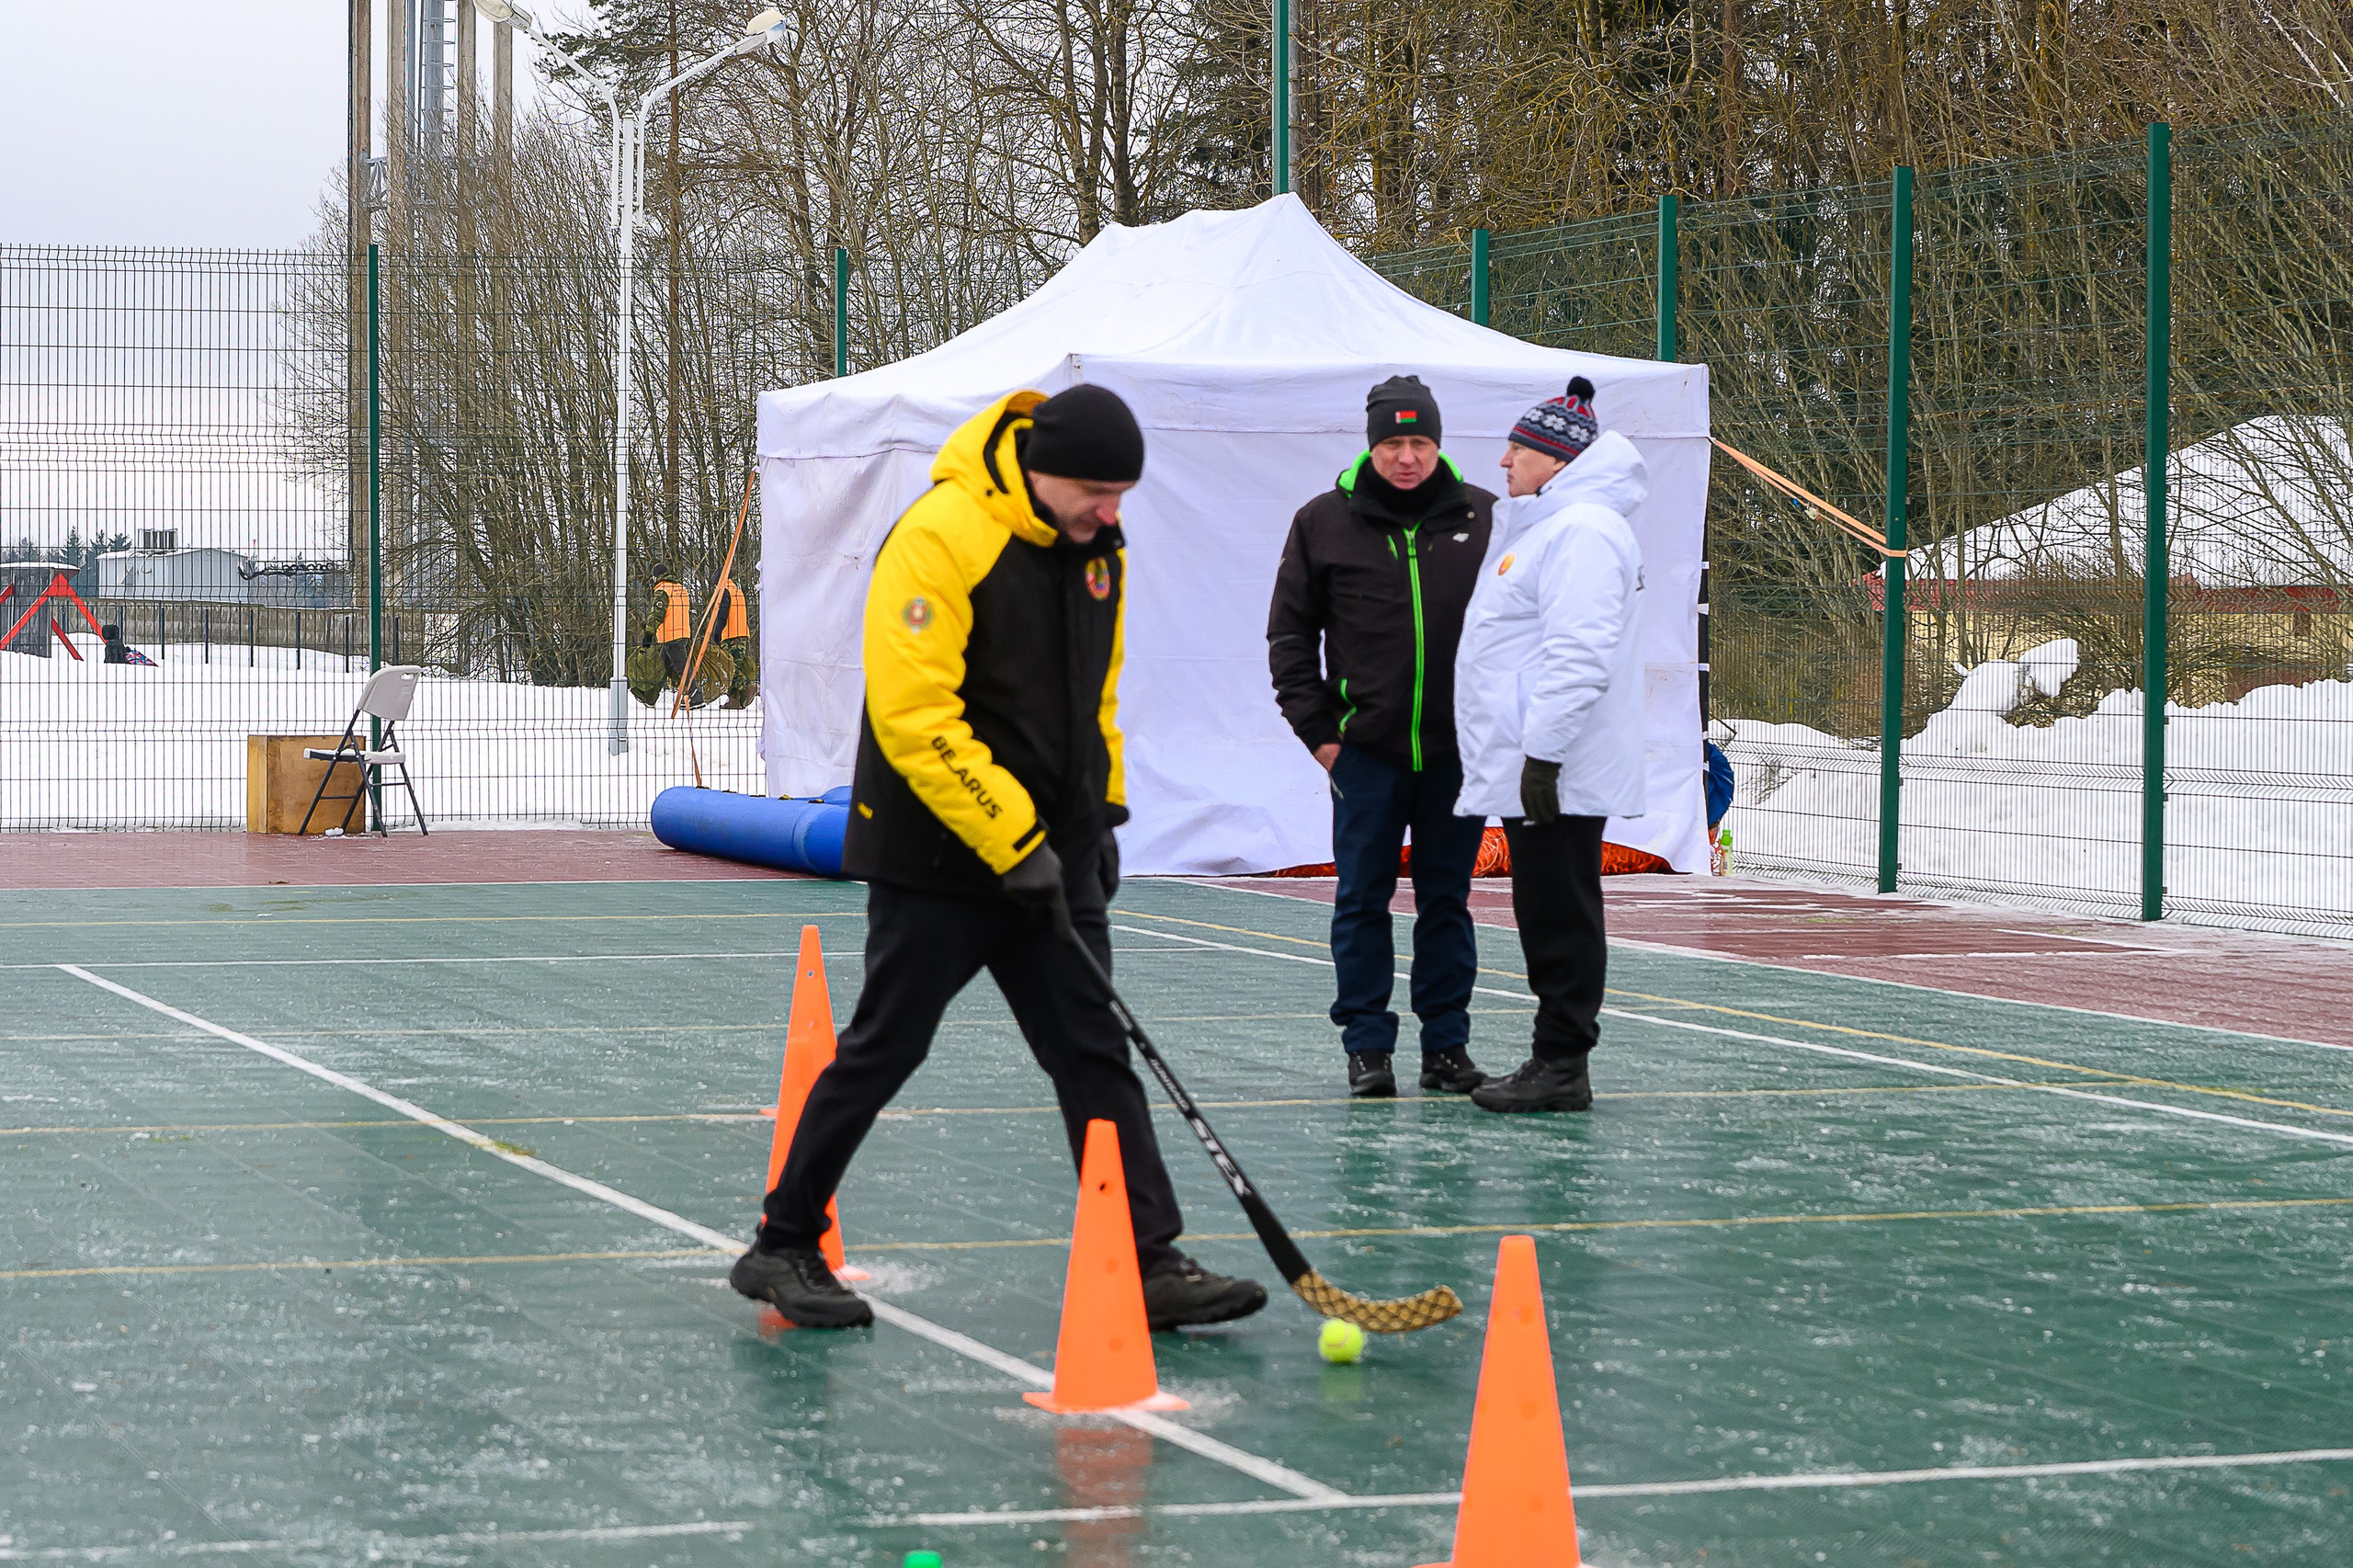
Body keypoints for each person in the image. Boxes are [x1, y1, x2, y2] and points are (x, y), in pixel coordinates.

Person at [732, 384, 1267, 1332]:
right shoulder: (940, 534)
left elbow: (1092, 693)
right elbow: (915, 715)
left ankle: (1144, 1254)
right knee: (885, 1046)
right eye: (1098, 490)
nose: (1113, 511)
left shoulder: (1096, 546)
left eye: (1123, 493)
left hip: (1049, 856)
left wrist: (1098, 817)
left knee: (1094, 1053)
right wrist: (1014, 841)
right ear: (1039, 469)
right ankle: (781, 1243)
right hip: (936, 856)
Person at [1267, 375, 1495, 1098]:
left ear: (1438, 444)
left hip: (1457, 755)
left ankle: (1446, 1048)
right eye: (1393, 443)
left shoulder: (1486, 518)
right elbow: (1289, 635)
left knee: (1446, 901)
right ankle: (1367, 1047)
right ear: (1372, 445)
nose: (1407, 457)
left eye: (1419, 442)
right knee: (1362, 899)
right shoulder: (1322, 522)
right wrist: (1321, 735)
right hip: (1364, 754)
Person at [1452, 376, 1649, 1114]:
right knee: (1545, 905)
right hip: (1544, 762)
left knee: (1560, 908)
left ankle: (1562, 1061)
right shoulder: (1557, 527)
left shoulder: (1583, 532)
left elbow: (1578, 653)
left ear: (1557, 460)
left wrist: (1544, 753)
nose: (1504, 461)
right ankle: (1556, 1055)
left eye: (1519, 448)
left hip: (1556, 767)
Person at [711, 568, 757, 710]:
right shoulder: (736, 590)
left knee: (729, 668)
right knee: (735, 666)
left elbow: (722, 613)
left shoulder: (724, 590)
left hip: (730, 635)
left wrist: (717, 632)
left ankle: (747, 685)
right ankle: (734, 700)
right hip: (742, 633)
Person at [649, 565, 694, 694]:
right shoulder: (681, 589)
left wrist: (649, 632)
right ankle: (651, 695)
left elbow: (657, 614)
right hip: (683, 632)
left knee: (682, 667)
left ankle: (694, 694)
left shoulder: (662, 590)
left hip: (670, 635)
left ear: (657, 576)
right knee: (663, 666)